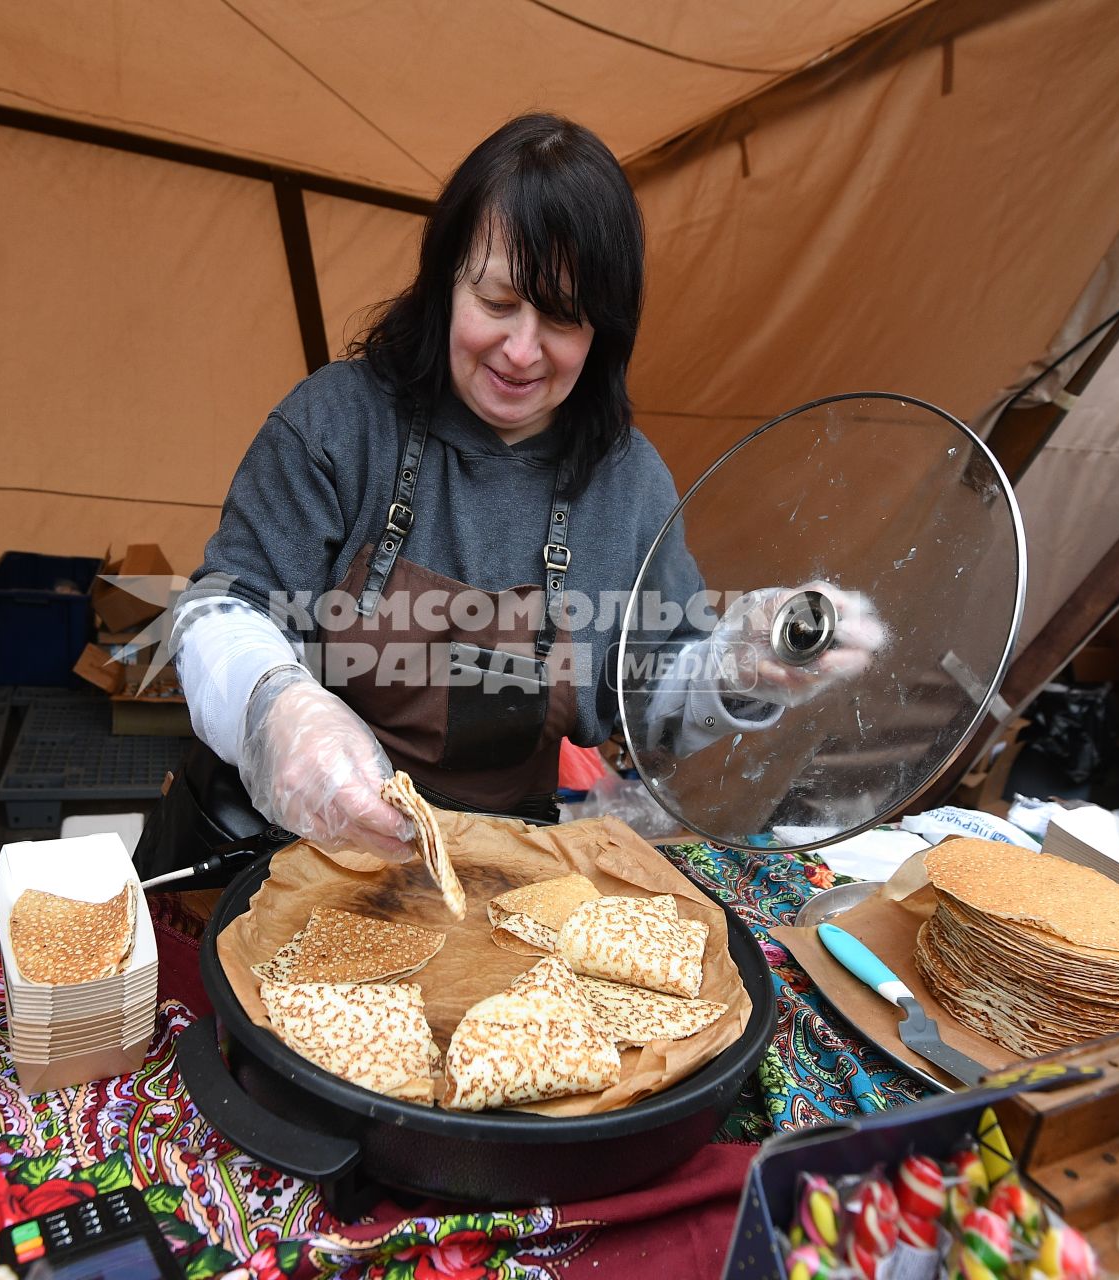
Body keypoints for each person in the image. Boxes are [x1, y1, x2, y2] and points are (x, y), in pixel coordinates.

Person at [164, 114, 878, 870]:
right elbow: (217, 612)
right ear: (446, 282)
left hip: (496, 876)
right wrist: (283, 711)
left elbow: (645, 706)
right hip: (289, 853)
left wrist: (736, 665)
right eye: (498, 302)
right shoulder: (337, 423)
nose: (522, 350)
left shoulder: (628, 482)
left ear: (605, 329)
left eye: (563, 318)